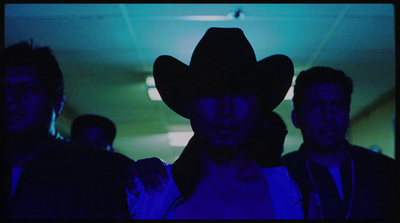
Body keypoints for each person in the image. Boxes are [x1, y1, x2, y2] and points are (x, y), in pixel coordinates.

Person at [127, 27, 314, 219]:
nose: (226, 110)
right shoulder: (146, 193)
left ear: (257, 106)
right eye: (209, 93)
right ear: (189, 105)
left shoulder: (292, 195)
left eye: (239, 93)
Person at [3, 41, 165, 219]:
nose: (12, 98)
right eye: (5, 89)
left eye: (27, 89)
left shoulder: (106, 172)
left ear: (58, 102)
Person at [281, 66, 397, 219]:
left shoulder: (387, 172)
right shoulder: (280, 175)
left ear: (347, 114)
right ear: (296, 118)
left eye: (337, 105)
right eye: (317, 106)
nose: (329, 116)